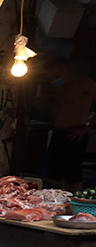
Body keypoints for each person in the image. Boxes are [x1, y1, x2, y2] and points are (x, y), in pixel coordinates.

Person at [44, 57, 96, 193]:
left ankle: (74, 207)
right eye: (50, 78)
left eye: (56, 76)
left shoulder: (85, 84)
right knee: (55, 173)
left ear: (66, 71)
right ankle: (57, 205)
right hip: (58, 133)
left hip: (75, 133)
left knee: (73, 175)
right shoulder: (59, 88)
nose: (54, 80)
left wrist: (88, 126)